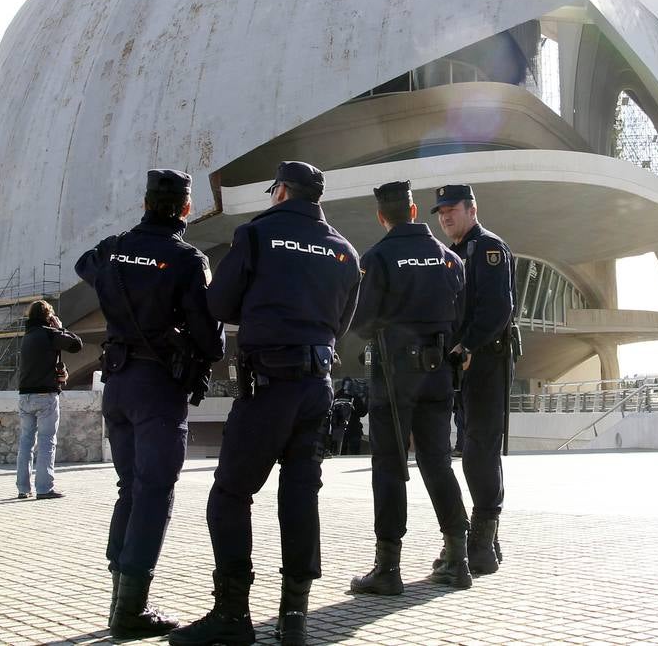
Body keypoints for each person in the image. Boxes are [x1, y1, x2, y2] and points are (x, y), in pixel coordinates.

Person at [171, 161, 360, 646]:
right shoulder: (344, 250)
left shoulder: (256, 235)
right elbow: (342, 322)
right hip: (318, 386)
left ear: (279, 192)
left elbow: (219, 305)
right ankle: (294, 617)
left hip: (268, 385)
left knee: (231, 495)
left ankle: (233, 615)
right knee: (300, 497)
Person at [75, 169, 225, 639]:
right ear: (185, 208)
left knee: (130, 488)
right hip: (158, 388)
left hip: (116, 383)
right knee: (154, 491)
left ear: (144, 201)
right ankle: (129, 611)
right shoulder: (186, 259)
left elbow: (85, 266)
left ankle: (119, 594)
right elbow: (211, 339)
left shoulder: (113, 247)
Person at [349, 180, 472, 596]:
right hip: (438, 375)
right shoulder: (450, 258)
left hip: (394, 376)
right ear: (416, 211)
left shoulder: (378, 258)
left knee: (388, 466)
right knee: (438, 462)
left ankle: (388, 568)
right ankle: (458, 558)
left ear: (382, 216)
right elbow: (459, 313)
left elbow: (361, 322)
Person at [432, 183, 515, 576]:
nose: (445, 216)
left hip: (485, 361)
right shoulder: (452, 253)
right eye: (441, 211)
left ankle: (481, 543)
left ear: (472, 209)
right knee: (470, 449)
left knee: (481, 449)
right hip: (461, 364)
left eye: (452, 209)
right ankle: (487, 542)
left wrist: (467, 345)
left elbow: (498, 308)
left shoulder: (488, 248)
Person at [16, 299, 83, 499]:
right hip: (45, 395)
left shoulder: (27, 336)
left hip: (24, 396)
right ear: (48, 316)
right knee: (47, 442)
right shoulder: (49, 334)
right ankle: (44, 489)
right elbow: (76, 345)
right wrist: (61, 328)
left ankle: (22, 488)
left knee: (26, 442)